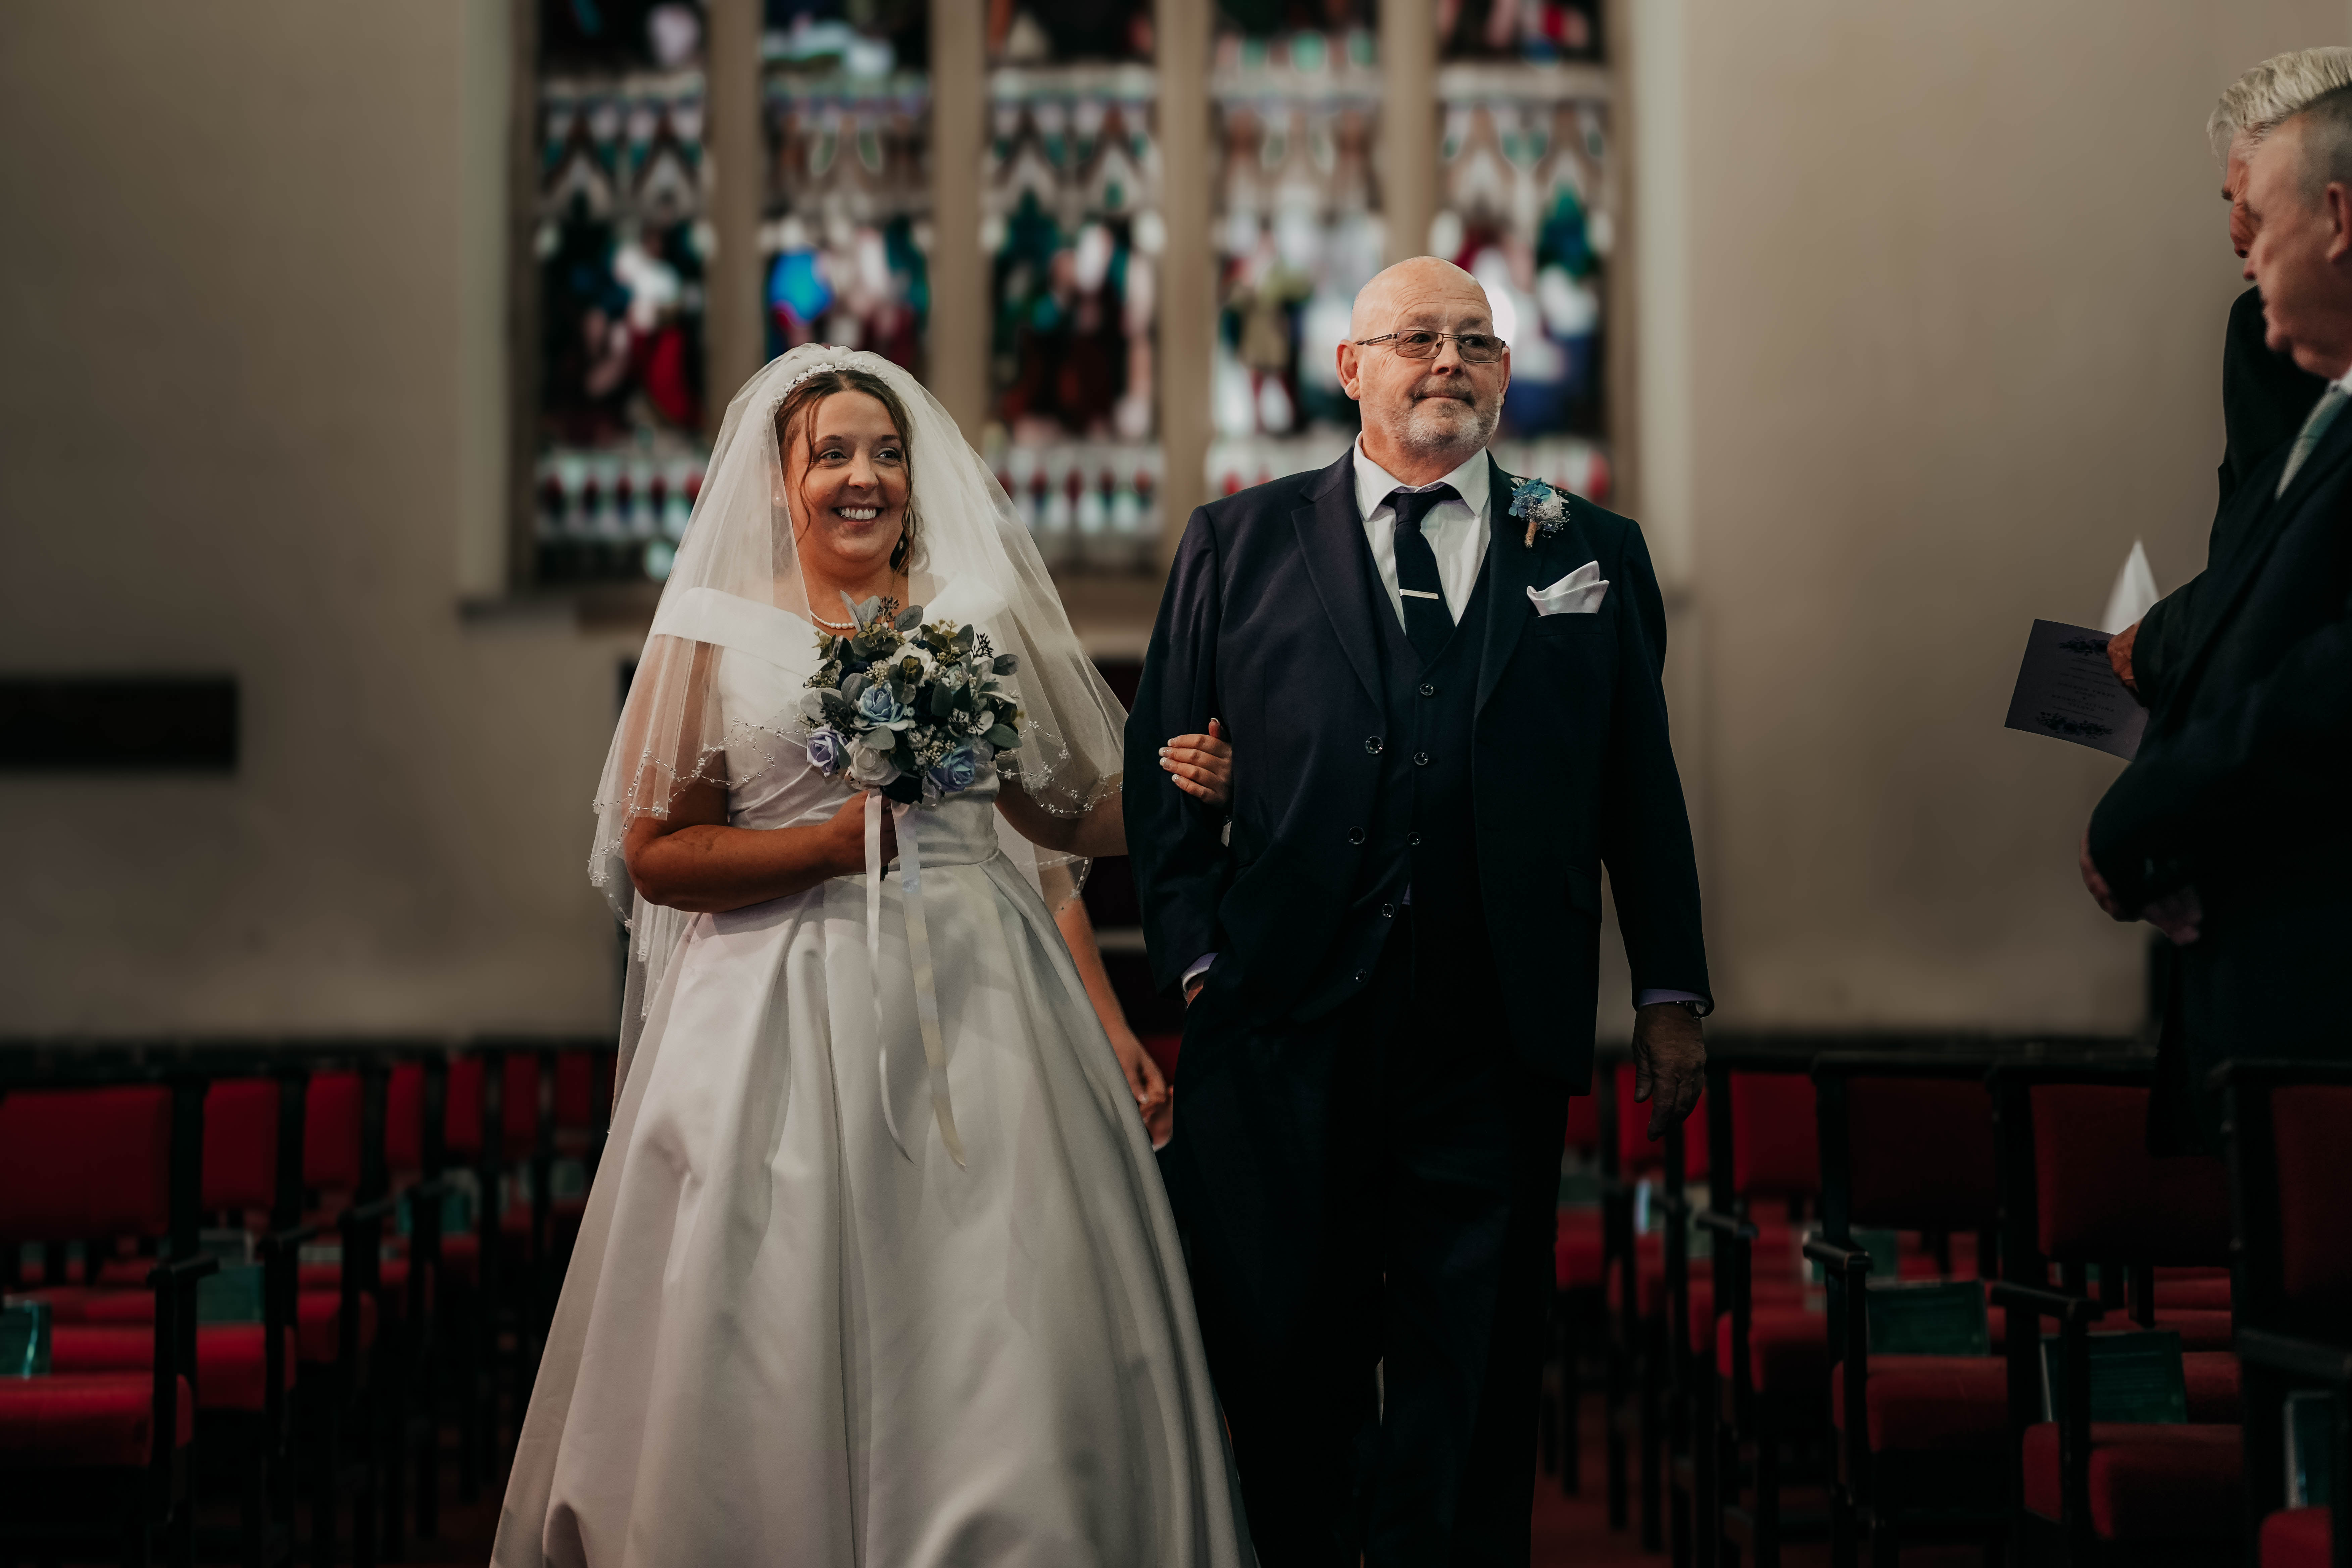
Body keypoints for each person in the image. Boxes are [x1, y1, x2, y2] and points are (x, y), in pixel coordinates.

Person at [494, 346, 1251, 1566]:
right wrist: (831, 846)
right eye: (833, 454)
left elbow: (1054, 818)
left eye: (887, 453)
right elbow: (657, 853)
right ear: (777, 481)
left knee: (997, 1309)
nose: (866, 478)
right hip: (776, 1002)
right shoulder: (712, 629)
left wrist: (1181, 787)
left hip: (979, 983)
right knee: (773, 1307)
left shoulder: (968, 618)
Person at [1124, 256, 1711, 1566]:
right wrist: (1202, 962)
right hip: (1280, 1029)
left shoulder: (1590, 553)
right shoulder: (1237, 544)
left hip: (1491, 1030)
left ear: (1506, 373)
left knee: (1476, 1377)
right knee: (1291, 1373)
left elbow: (1640, 788)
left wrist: (1669, 988)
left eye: (1477, 342)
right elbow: (1160, 778)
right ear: (1350, 370)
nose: (1450, 362)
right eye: (1416, 338)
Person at [2085, 86, 2352, 1154]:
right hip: (2274, 1000)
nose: (2244, 260)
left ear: (2340, 219)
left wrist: (2155, 809)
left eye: (2260, 216)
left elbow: (2328, 676)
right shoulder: (2326, 418)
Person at [2108, 49, 2349, 712]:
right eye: (2230, 202)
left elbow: (2285, 584)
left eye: (2258, 210)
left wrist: (2158, 642)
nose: (2239, 242)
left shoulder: (2273, 326)